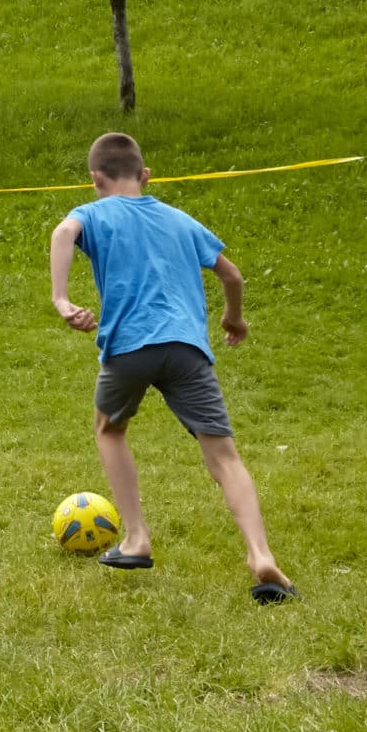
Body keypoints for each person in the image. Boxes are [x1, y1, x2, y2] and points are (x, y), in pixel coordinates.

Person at [49, 132, 296, 604]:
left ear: (95, 179)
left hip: (129, 346)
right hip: (187, 348)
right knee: (225, 458)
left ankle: (137, 538)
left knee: (109, 429)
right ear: (145, 175)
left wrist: (62, 300)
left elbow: (63, 232)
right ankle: (260, 554)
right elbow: (232, 274)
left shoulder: (93, 213)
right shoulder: (179, 220)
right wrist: (234, 318)